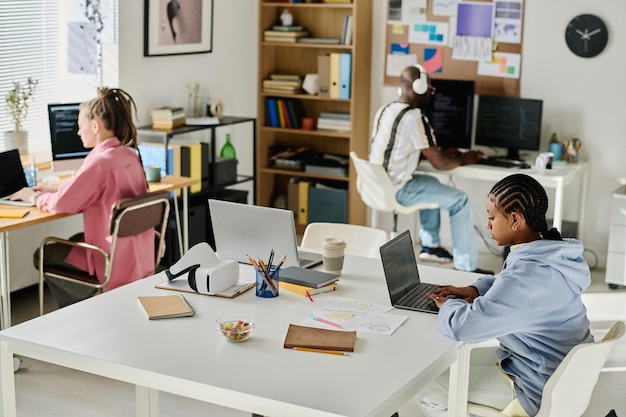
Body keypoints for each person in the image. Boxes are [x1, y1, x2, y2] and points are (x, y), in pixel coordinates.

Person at [414, 173, 592, 416]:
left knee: (428, 388)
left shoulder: (525, 277)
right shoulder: (548, 256)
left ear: (515, 220)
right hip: (556, 373)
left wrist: (446, 306)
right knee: (447, 367)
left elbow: (464, 327)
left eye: (491, 217)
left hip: (536, 386)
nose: (487, 225)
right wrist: (475, 290)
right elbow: (515, 293)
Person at [10, 87, 152, 308]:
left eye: (80, 126)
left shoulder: (99, 163)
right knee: (78, 235)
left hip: (109, 261)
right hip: (137, 259)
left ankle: (88, 307)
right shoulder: (130, 155)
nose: (78, 132)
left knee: (43, 253)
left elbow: (62, 203)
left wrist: (34, 197)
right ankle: (94, 304)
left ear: (95, 126)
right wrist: (54, 191)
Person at [369, 64, 489, 273]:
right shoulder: (415, 117)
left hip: (376, 185)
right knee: (459, 200)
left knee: (430, 182)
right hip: (398, 189)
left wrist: (446, 152)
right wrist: (466, 158)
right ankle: (466, 268)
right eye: (431, 89)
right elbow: (440, 164)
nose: (431, 94)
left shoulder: (386, 109)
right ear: (420, 87)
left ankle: (431, 246)